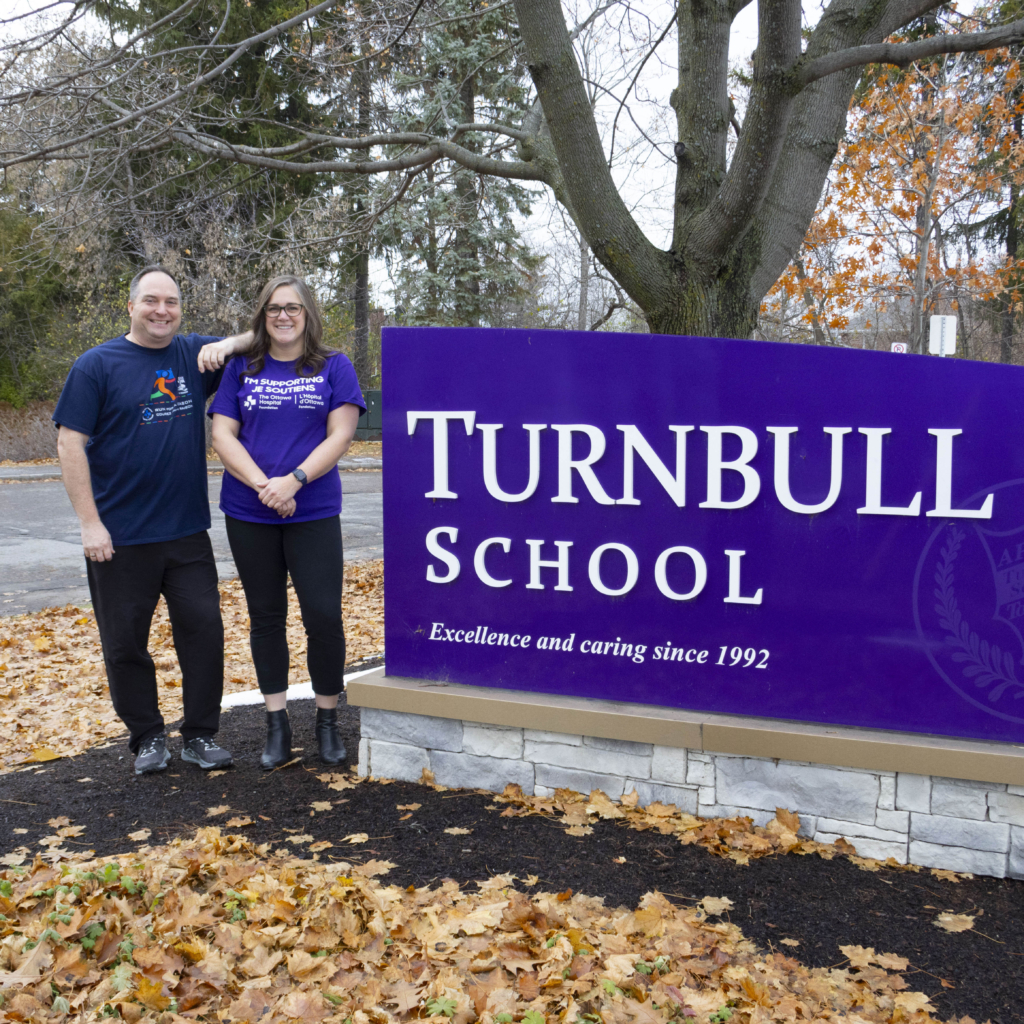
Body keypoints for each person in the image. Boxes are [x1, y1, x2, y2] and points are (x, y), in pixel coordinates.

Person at [53, 265, 255, 775]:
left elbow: (265, 335)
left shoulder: (193, 355)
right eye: (150, 301)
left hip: (186, 533)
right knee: (125, 644)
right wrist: (89, 523)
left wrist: (226, 343)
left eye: (171, 302)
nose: (161, 310)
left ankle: (200, 735)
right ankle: (146, 737)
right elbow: (69, 443)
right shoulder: (96, 365)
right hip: (119, 538)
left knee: (204, 633)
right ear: (131, 306)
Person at [209, 275, 364, 769]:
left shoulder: (334, 365)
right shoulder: (242, 367)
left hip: (313, 510)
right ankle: (276, 725)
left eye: (293, 308)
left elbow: (341, 435)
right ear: (263, 314)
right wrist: (266, 487)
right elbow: (222, 435)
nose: (283, 316)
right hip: (249, 511)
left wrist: (294, 481)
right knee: (266, 617)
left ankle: (327, 721)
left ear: (307, 313)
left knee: (323, 616)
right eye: (274, 308)